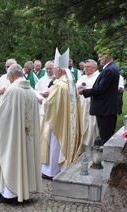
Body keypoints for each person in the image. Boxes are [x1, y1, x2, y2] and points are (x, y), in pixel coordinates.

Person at [0, 63, 43, 203]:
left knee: (11, 158)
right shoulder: (30, 90)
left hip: (13, 136)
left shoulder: (12, 91)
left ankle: (9, 194)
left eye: (9, 76)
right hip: (27, 135)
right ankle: (23, 190)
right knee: (24, 158)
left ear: (12, 75)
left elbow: (1, 115)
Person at [41, 48, 82, 180]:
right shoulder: (69, 83)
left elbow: (51, 105)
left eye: (54, 69)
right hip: (66, 121)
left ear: (59, 69)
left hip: (57, 121)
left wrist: (42, 100)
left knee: (54, 144)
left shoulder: (59, 85)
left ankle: (52, 171)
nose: (52, 71)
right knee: (58, 144)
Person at [78, 50, 120, 145]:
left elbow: (99, 89)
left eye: (101, 57)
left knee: (105, 136)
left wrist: (84, 91)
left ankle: (105, 158)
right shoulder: (110, 68)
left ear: (108, 56)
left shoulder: (109, 70)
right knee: (105, 134)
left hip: (105, 108)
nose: (99, 59)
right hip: (106, 108)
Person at [76, 59, 100, 152]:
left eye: (88, 67)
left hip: (92, 107)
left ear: (94, 68)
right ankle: (80, 151)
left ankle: (93, 150)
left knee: (92, 128)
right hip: (81, 107)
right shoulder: (82, 77)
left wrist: (87, 89)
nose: (86, 69)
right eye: (85, 67)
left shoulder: (98, 76)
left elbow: (98, 90)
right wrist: (77, 88)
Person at [34, 60, 54, 126]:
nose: (48, 70)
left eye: (50, 68)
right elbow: (36, 90)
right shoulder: (42, 79)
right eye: (47, 68)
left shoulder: (57, 79)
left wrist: (50, 94)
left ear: (54, 68)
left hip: (52, 107)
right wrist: (41, 94)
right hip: (41, 106)